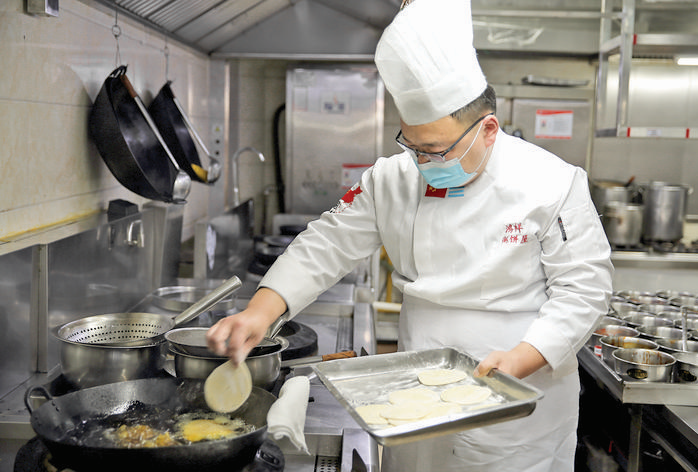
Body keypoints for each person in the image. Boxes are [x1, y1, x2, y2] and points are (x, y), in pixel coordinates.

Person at [207, 0, 613, 470]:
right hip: (414, 402)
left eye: (436, 150)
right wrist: (262, 310)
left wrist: (523, 358)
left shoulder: (553, 182)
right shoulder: (391, 178)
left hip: (518, 408)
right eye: (412, 145)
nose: (423, 163)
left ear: (488, 130)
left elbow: (585, 289)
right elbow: (326, 243)